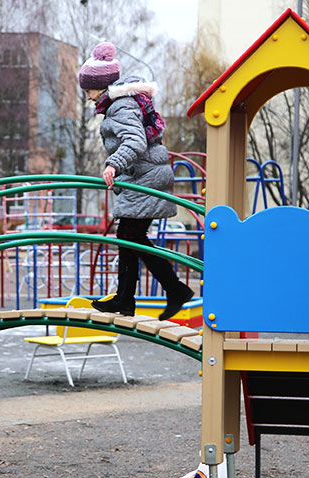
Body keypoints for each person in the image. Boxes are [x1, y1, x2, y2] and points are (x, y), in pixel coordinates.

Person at [78, 42, 194, 321]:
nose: (88, 97)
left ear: (102, 85)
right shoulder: (120, 104)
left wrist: (113, 164)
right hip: (144, 175)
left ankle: (173, 289)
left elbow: (136, 142)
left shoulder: (121, 107)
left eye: (89, 90)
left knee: (132, 237)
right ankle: (127, 299)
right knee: (130, 238)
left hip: (147, 177)